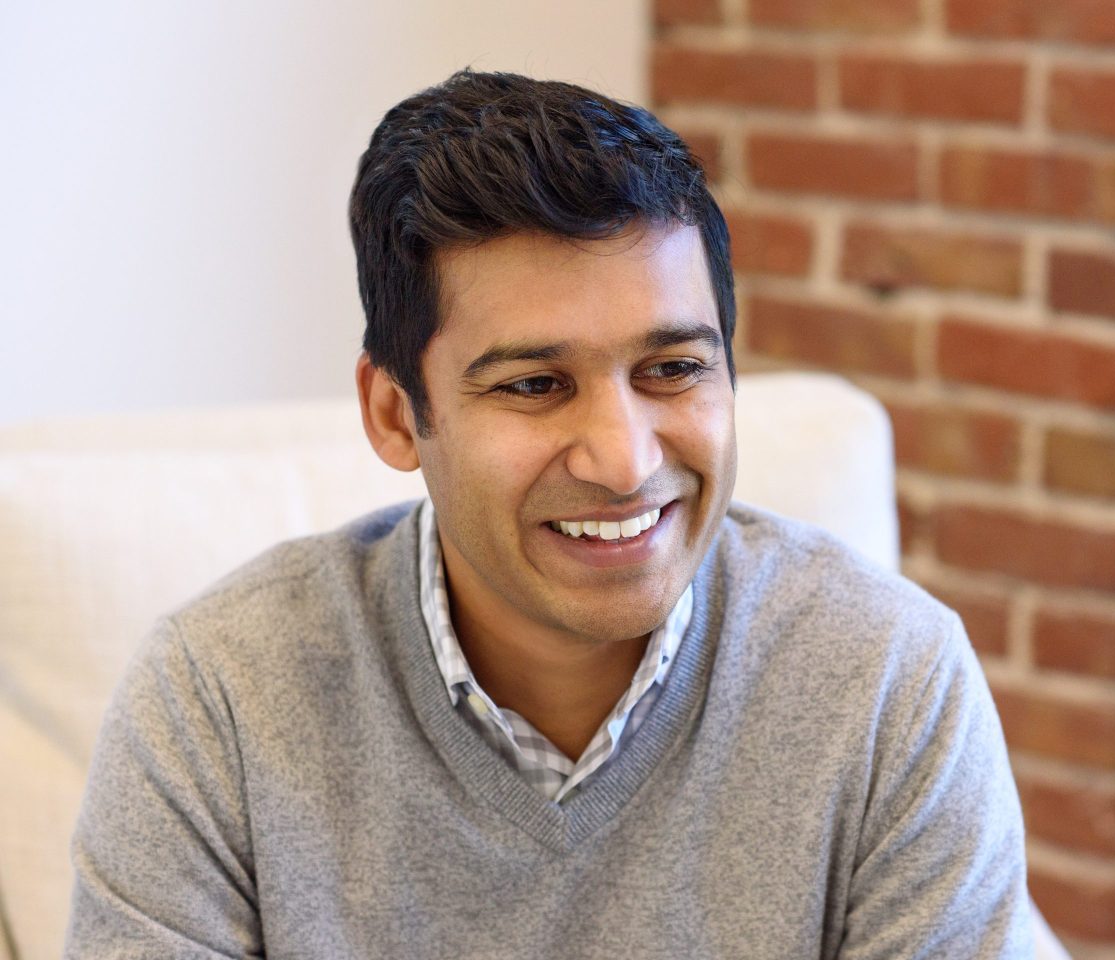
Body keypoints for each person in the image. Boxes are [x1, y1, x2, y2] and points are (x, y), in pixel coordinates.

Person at [65, 70, 1032, 959]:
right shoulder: (216, 705)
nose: (625, 460)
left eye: (674, 370)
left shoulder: (889, 685)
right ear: (397, 413)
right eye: (534, 384)